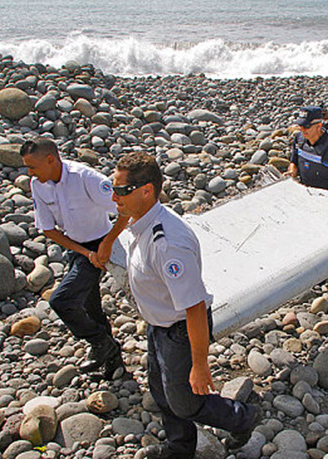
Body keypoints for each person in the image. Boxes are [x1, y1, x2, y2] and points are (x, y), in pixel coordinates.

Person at [111, 152, 260, 459]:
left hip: (180, 329)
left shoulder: (168, 244)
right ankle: (180, 449)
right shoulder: (140, 217)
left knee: (186, 402)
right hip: (159, 326)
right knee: (161, 391)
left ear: (146, 191)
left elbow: (193, 308)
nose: (114, 197)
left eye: (121, 191)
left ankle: (243, 417)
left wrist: (200, 364)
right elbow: (122, 216)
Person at [20, 137, 127, 380]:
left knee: (61, 300)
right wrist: (83, 253)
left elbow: (124, 210)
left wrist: (106, 245)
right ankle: (112, 362)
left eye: (32, 167)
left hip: (101, 242)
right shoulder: (38, 184)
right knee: (90, 307)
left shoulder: (85, 178)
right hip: (78, 248)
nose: (30, 173)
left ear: (50, 160)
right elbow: (48, 229)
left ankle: (101, 343)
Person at [285, 106, 328, 194]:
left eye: (307, 126)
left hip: (326, 197)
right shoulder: (299, 139)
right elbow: (294, 162)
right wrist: (292, 172)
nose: (302, 130)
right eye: (300, 125)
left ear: (319, 126)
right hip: (305, 191)